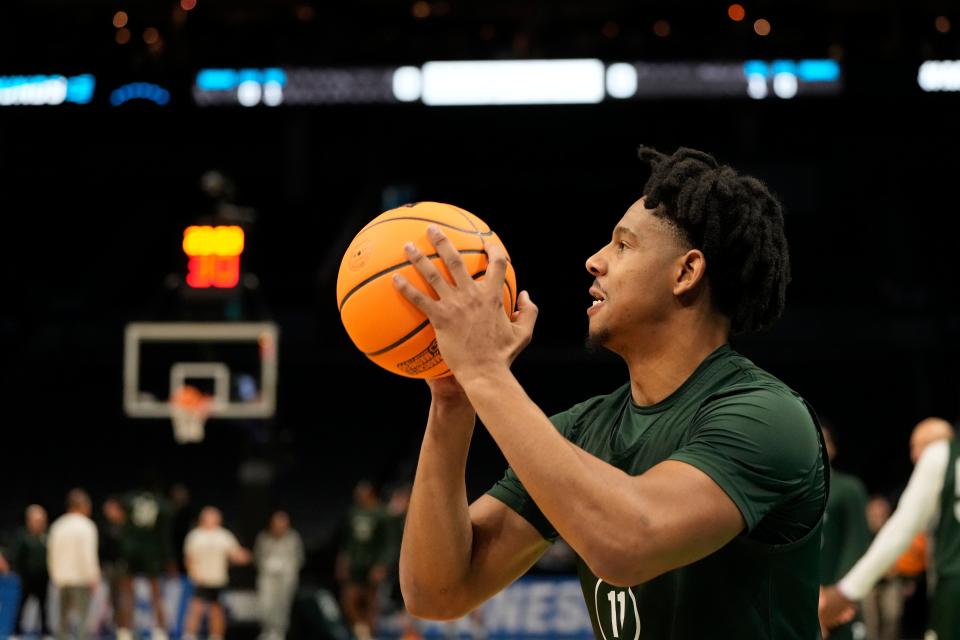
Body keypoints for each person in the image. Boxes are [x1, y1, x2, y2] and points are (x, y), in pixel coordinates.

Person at [394, 146, 827, 639]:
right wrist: (453, 400)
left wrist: (487, 374)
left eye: (623, 245)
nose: (594, 261)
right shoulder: (583, 429)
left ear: (686, 273)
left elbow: (629, 542)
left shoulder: (766, 416)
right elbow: (436, 592)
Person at [821, 417, 957, 638]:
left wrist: (844, 591)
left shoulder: (940, 456)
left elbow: (899, 532)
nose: (914, 455)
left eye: (918, 446)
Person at [819, 424, 871, 640]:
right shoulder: (786, 489)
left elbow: (857, 543)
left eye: (823, 441)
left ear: (833, 448)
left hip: (837, 599)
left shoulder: (848, 489)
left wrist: (839, 595)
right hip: (797, 598)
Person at [182, 506, 251, 640]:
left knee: (216, 610)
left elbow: (235, 553)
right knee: (196, 607)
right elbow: (188, 558)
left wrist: (244, 556)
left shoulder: (224, 535)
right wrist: (193, 573)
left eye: (214, 517)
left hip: (218, 579)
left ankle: (216, 636)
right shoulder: (195, 535)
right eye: (209, 516)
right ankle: (189, 635)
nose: (212, 519)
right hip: (201, 579)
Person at [117, 488, 174, 640]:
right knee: (154, 593)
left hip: (133, 551)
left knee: (129, 593)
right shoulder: (161, 504)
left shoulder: (129, 500)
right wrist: (168, 557)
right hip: (150, 552)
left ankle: (126, 631)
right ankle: (158, 630)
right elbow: (164, 534)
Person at [336, 481, 389, 640]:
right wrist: (342, 561)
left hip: (373, 564)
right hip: (355, 563)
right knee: (349, 599)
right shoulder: (354, 512)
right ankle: (360, 631)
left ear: (371, 494)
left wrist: (382, 564)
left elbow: (387, 543)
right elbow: (347, 541)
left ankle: (371, 634)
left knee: (371, 602)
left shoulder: (382, 514)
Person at [47, 489, 99, 640]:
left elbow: (51, 554)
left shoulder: (58, 525)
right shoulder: (86, 526)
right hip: (81, 580)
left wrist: (55, 575)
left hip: (61, 579)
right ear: (81, 505)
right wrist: (93, 576)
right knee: (83, 619)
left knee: (62, 619)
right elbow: (88, 555)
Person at [254, 510, 305, 640]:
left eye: (283, 524)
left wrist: (288, 568)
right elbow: (257, 556)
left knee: (282, 605)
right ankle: (267, 630)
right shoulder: (263, 537)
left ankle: (279, 632)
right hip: (267, 576)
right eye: (277, 523)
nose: (279, 526)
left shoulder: (293, 538)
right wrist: (266, 566)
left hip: (286, 577)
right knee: (265, 603)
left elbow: (299, 558)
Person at [10, 504, 52, 639]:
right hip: (27, 579)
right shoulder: (23, 537)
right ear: (29, 521)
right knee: (21, 605)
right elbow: (16, 557)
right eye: (35, 520)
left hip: (43, 578)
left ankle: (45, 632)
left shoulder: (47, 537)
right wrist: (20, 574)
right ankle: (16, 632)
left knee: (44, 607)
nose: (38, 524)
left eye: (41, 521)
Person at [98, 497, 127, 638]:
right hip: (109, 567)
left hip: (124, 567)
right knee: (111, 598)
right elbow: (101, 549)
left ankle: (124, 628)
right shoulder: (104, 527)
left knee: (124, 599)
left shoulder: (126, 525)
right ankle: (113, 625)